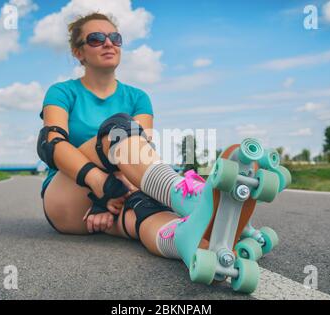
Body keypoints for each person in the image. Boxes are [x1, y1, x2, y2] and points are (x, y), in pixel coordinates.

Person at [38, 12, 208, 259]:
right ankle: (185, 197)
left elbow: (139, 157)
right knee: (119, 129)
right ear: (79, 52)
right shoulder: (62, 92)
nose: (108, 43)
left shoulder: (138, 97)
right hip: (69, 196)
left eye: (115, 38)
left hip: (123, 194)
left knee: (146, 215)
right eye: (96, 39)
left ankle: (195, 247)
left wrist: (113, 195)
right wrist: (102, 189)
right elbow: (50, 145)